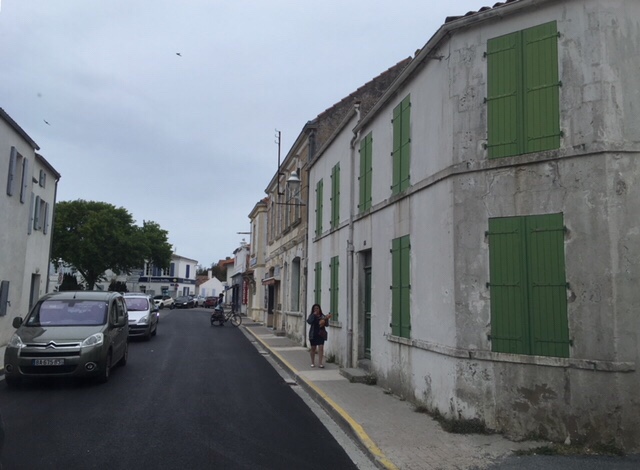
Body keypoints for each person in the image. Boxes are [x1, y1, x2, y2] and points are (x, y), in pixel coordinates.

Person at [307, 304, 331, 368]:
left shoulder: (322, 316)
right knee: (313, 348)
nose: (316, 310)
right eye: (315, 308)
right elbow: (309, 321)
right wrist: (313, 315)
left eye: (317, 308)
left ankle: (320, 363)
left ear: (319, 309)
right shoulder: (312, 316)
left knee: (321, 347)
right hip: (313, 334)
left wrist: (326, 319)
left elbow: (327, 325)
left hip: (321, 334)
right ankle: (312, 362)